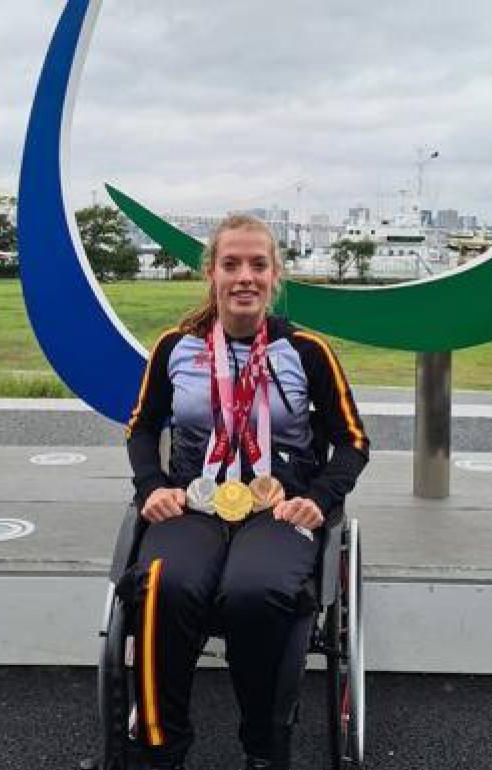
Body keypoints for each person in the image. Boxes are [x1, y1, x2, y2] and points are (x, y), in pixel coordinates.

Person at [122, 214, 370, 770]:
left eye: (258, 265)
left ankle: (264, 745)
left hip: (279, 505)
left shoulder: (307, 352)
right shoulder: (175, 347)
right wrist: (152, 488)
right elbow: (142, 428)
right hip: (195, 501)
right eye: (231, 264)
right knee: (165, 582)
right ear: (210, 272)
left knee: (255, 592)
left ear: (275, 275)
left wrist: (320, 499)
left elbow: (353, 443)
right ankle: (161, 746)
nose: (244, 277)